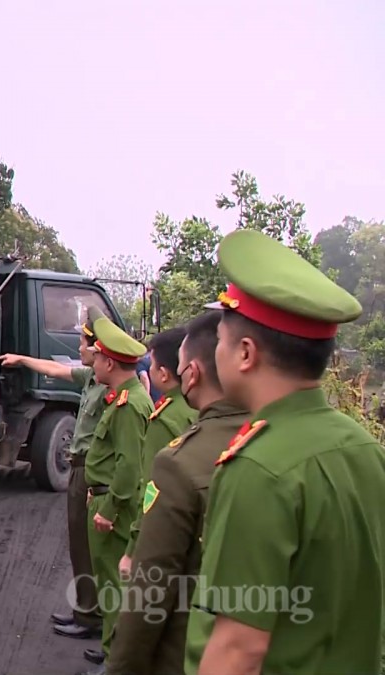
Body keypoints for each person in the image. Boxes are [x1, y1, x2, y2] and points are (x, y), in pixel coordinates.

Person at [184, 229, 385, 675]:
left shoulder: (259, 467)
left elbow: (238, 649)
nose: (214, 349)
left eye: (219, 338)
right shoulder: (365, 449)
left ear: (246, 353)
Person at [107, 311, 247, 675]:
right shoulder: (353, 450)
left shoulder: (181, 461)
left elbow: (152, 586)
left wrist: (122, 666)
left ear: (193, 373)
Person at [0, 305, 107, 641]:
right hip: (79, 469)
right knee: (79, 546)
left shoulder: (116, 393)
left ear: (99, 349)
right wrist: (22, 359)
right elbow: (55, 369)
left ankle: (99, 621)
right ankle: (86, 612)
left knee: (95, 549)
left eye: (84, 343)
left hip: (94, 471)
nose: (78, 347)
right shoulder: (91, 378)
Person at [79, 317, 154, 675]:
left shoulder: (129, 405)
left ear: (110, 363)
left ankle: (116, 662)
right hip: (107, 498)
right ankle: (112, 651)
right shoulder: (126, 398)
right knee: (108, 584)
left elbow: (129, 468)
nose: (92, 361)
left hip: (115, 508)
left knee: (114, 588)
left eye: (97, 357)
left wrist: (108, 508)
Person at [120, 326, 196, 570]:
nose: (148, 370)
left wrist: (133, 548)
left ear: (163, 374)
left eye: (151, 365)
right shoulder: (196, 406)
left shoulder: (165, 418)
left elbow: (151, 489)